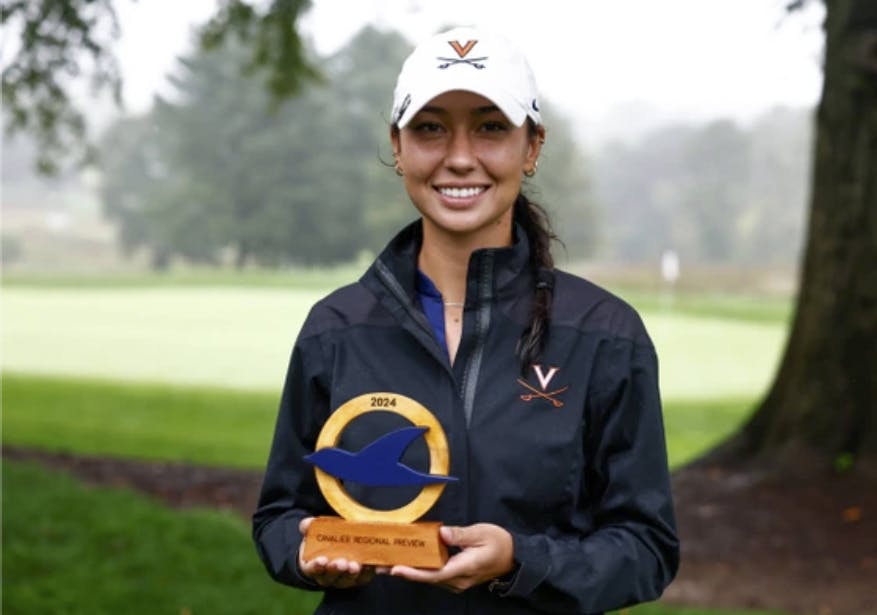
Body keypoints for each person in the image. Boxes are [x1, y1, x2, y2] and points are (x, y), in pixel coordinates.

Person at [253, 25, 679, 615]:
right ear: (397, 146)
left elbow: (646, 547)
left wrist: (520, 561)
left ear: (531, 148)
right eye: (430, 128)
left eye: (490, 127)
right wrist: (306, 556)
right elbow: (280, 516)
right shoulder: (336, 328)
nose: (459, 158)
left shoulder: (605, 334)